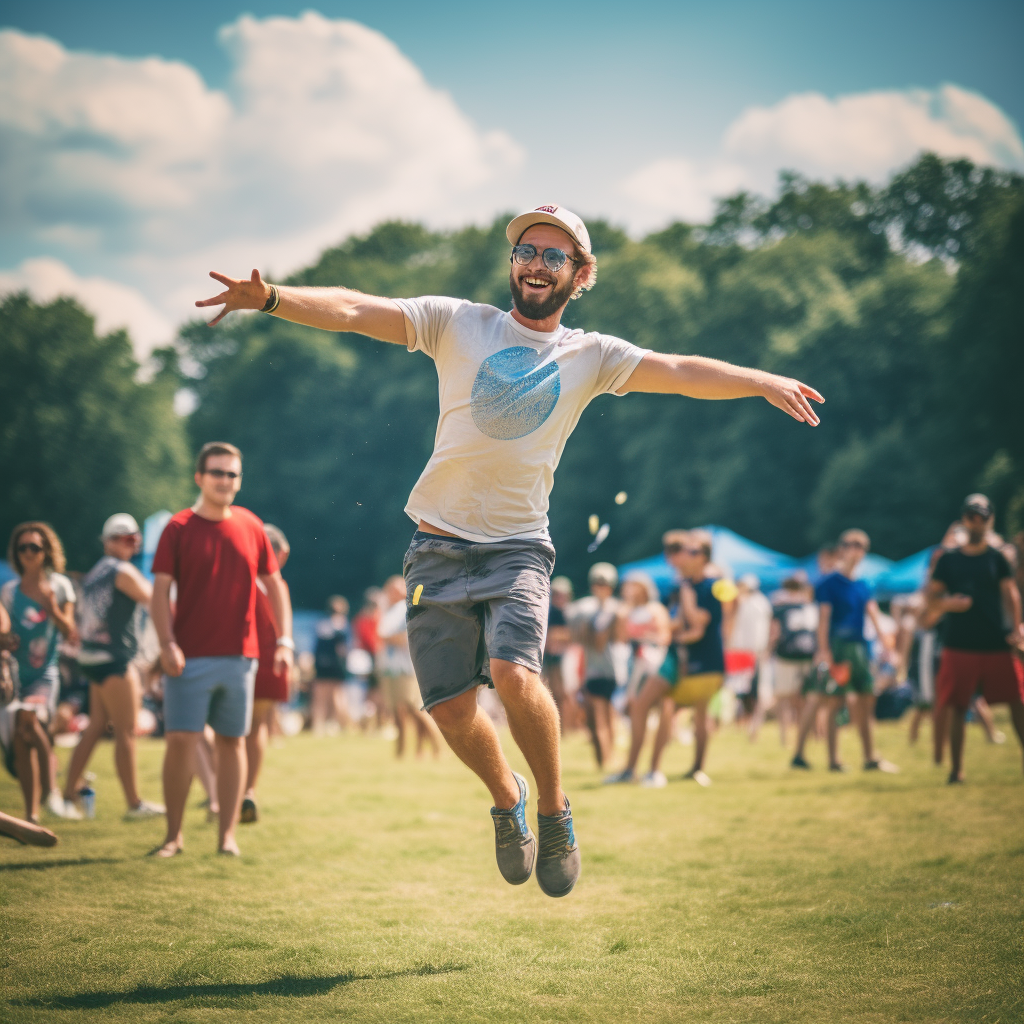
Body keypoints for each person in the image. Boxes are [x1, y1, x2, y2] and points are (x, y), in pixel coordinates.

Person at [198, 203, 823, 896]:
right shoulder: (457, 322)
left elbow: (678, 369)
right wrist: (276, 299)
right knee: (448, 708)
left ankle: (555, 812)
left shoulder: (591, 355)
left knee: (515, 672)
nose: (536, 263)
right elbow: (352, 309)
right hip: (435, 544)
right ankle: (508, 798)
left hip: (520, 546)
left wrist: (760, 380)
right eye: (527, 249)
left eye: (555, 255)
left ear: (581, 275)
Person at [150, 442, 293, 857]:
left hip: (242, 658)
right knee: (180, 741)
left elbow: (274, 585)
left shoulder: (251, 525)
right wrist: (166, 644)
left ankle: (226, 837)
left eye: (232, 474)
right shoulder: (177, 527)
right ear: (199, 477)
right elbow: (159, 593)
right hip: (187, 656)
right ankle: (173, 837)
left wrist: (284, 640)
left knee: (233, 743)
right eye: (217, 473)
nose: (225, 481)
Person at [61, 514, 165, 819]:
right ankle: (134, 804)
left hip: (91, 658)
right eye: (125, 538)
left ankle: (68, 793)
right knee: (126, 731)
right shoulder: (123, 571)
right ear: (109, 542)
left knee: (95, 727)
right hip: (114, 659)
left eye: (134, 539)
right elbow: (154, 601)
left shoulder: (95, 573)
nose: (130, 544)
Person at [609, 531, 732, 787]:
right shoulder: (679, 586)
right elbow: (673, 623)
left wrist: (686, 602)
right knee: (644, 705)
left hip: (703, 661)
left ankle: (688, 769)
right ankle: (638, 769)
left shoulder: (712, 586)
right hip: (677, 658)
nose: (683, 555)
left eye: (692, 551)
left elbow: (699, 623)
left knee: (698, 715)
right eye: (683, 550)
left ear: (703, 558)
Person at [927, 494, 1024, 784]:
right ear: (964, 519)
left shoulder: (997, 558)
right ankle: (956, 771)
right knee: (958, 705)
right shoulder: (948, 560)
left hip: (996, 640)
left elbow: (1010, 594)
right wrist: (948, 604)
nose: (977, 521)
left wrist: (1017, 629)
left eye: (982, 516)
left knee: (1017, 702)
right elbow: (931, 598)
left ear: (990, 519)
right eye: (972, 516)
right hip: (959, 642)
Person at [791, 529, 897, 773]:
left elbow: (872, 613)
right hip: (838, 648)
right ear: (842, 549)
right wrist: (824, 650)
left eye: (860, 546)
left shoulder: (863, 583)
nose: (855, 550)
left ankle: (871, 758)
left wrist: (886, 645)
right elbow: (824, 619)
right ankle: (833, 760)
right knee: (834, 702)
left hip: (860, 648)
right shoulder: (829, 583)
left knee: (865, 701)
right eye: (850, 545)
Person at [1, 523, 79, 823]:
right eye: (23, 548)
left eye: (35, 547)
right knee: (22, 737)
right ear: (16, 554)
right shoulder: (8, 592)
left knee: (29, 719)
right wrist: (6, 640)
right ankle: (32, 815)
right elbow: (3, 635)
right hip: (15, 677)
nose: (29, 553)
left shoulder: (60, 586)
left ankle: (52, 793)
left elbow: (70, 631)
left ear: (47, 551)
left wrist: (52, 607)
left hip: (45, 674)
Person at [241, 523, 294, 823]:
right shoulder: (278, 585)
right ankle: (249, 789)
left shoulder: (241, 579)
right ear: (280, 552)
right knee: (257, 727)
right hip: (271, 660)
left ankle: (220, 790)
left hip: (239, 657)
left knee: (227, 729)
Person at [377, 575, 442, 759]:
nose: (393, 592)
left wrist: (388, 638)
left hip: (406, 667)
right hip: (391, 667)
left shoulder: (405, 609)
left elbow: (405, 637)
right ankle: (402, 751)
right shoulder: (390, 610)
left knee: (413, 707)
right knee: (399, 711)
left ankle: (437, 746)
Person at [571, 563, 625, 770]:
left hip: (609, 669)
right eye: (598, 583)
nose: (600, 587)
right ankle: (605, 760)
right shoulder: (584, 608)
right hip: (593, 668)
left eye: (604, 584)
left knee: (605, 716)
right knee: (598, 717)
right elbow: (578, 638)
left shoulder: (615, 608)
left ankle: (606, 760)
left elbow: (617, 639)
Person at [769, 574, 818, 746]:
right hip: (807, 655)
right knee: (808, 698)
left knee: (784, 698)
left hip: (786, 655)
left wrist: (768, 650)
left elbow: (773, 631)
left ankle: (785, 737)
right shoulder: (810, 606)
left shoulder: (780, 605)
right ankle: (813, 734)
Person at [725, 574, 773, 738]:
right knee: (739, 690)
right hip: (741, 652)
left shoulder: (759, 603)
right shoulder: (747, 602)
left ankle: (751, 726)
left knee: (754, 691)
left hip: (751, 653)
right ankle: (741, 724)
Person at [311, 596, 352, 734]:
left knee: (320, 697)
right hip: (336, 665)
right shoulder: (343, 625)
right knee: (337, 696)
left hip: (321, 663)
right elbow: (343, 650)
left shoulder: (321, 623)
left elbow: (316, 646)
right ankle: (343, 726)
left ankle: (318, 726)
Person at [542, 576, 577, 732]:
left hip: (568, 657)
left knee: (566, 693)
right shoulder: (550, 611)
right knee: (554, 691)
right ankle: (559, 728)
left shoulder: (571, 613)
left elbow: (573, 635)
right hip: (552, 657)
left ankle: (567, 727)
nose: (558, 598)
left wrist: (556, 636)